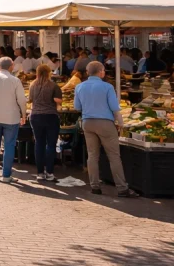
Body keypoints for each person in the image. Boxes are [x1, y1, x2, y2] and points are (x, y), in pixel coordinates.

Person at [75, 61, 138, 198]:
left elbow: (77, 107)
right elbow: (115, 109)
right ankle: (122, 188)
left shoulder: (79, 87)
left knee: (92, 156)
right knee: (114, 156)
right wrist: (121, 124)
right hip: (105, 123)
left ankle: (94, 186)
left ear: (87, 72)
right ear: (101, 72)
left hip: (87, 122)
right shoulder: (107, 87)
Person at [28, 63, 62, 182]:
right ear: (49, 73)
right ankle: (50, 172)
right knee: (51, 145)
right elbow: (58, 100)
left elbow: (30, 100)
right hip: (50, 116)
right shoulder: (53, 86)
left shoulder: (32, 85)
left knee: (39, 144)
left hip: (35, 116)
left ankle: (40, 173)